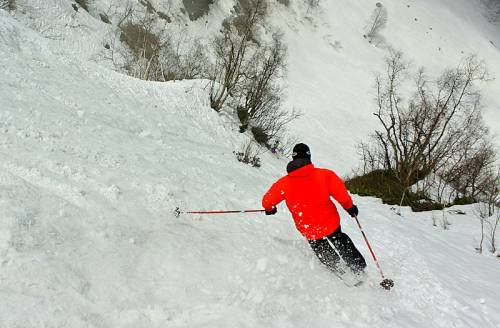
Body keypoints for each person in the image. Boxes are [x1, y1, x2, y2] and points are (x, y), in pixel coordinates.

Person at [262, 143, 366, 276]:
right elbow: (342, 196)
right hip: (329, 222)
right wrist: (350, 208)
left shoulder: (284, 183)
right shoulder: (325, 175)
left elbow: (267, 201)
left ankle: (336, 268)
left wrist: (270, 209)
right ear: (309, 157)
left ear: (293, 159)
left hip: (308, 227)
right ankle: (357, 266)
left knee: (319, 244)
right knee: (339, 239)